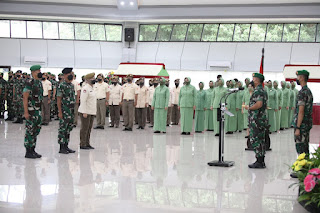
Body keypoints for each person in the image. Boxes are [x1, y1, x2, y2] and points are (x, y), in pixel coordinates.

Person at [291, 70, 313, 178]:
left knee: (301, 147)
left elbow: (301, 111)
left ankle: (302, 170)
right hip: (306, 124)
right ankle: (306, 169)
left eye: (298, 77)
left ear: (302, 78)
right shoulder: (307, 91)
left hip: (302, 125)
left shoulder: (302, 92)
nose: (297, 79)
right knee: (305, 147)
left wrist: (298, 127)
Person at [246, 73, 268, 169]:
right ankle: (260, 160)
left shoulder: (259, 91)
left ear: (257, 80)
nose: (252, 79)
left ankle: (259, 161)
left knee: (256, 140)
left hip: (257, 120)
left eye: (254, 78)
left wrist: (250, 108)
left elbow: (259, 104)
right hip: (259, 119)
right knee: (260, 140)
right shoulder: (261, 90)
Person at [23, 65, 43, 159]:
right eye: (37, 71)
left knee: (36, 130)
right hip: (31, 111)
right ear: (32, 72)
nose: (39, 72)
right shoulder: (29, 82)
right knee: (30, 131)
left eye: (39, 70)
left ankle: (33, 149)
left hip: (37, 111)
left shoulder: (39, 82)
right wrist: (26, 112)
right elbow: (25, 97)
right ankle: (28, 151)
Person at [56, 68, 76, 154]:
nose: (70, 75)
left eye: (71, 73)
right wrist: (60, 112)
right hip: (64, 109)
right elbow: (58, 99)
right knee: (63, 128)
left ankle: (66, 146)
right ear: (64, 75)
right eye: (69, 73)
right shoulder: (62, 85)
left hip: (71, 110)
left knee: (68, 128)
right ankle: (61, 147)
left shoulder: (71, 85)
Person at [78, 73, 97, 150]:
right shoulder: (85, 88)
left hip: (91, 111)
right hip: (85, 111)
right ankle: (82, 144)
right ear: (88, 80)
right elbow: (83, 100)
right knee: (84, 128)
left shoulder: (92, 88)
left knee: (89, 128)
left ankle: (87, 143)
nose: (94, 79)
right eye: (92, 78)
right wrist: (84, 112)